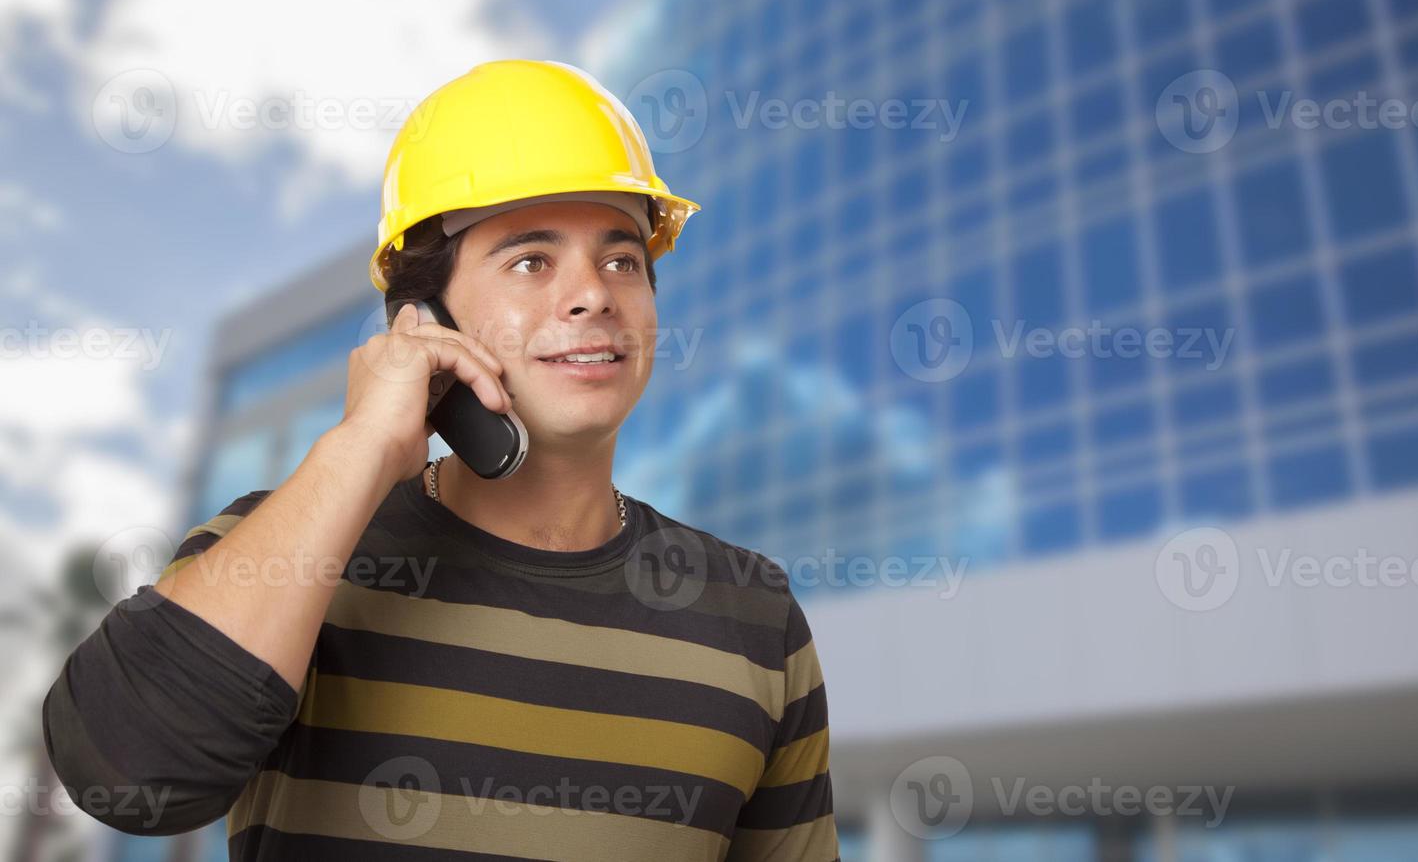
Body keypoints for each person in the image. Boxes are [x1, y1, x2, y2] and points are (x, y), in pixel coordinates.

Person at [41, 59, 840, 860]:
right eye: (531, 260)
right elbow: (128, 775)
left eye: (622, 259)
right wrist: (360, 448)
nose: (594, 293)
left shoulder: (754, 616)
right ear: (422, 319)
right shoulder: (290, 549)